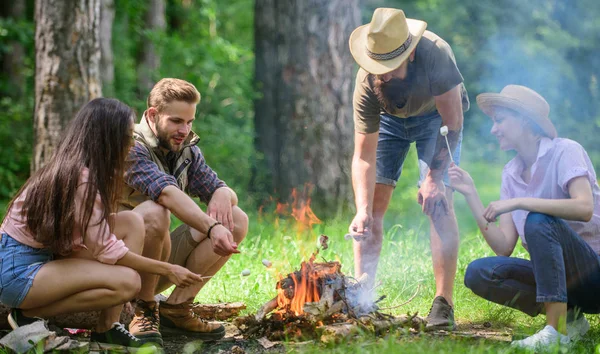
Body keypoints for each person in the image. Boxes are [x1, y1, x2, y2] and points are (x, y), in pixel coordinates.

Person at [0, 98, 202, 351]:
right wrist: (168, 269)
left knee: (131, 221)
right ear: (107, 139)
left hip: (41, 258)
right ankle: (26, 314)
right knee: (128, 282)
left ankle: (107, 328)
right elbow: (109, 253)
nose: (131, 143)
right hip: (19, 273)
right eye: (126, 136)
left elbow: (98, 239)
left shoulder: (82, 169)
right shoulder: (81, 180)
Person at [449, 85, 600, 350]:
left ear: (525, 120)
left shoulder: (565, 151)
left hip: (595, 275)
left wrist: (520, 202)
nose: (493, 129)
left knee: (538, 219)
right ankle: (571, 318)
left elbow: (584, 207)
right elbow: (504, 245)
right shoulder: (511, 174)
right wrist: (471, 194)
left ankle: (557, 331)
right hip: (562, 281)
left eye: (500, 120)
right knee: (480, 272)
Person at [348, 8, 469, 329]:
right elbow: (363, 156)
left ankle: (443, 303)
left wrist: (434, 178)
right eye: (376, 67)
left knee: (438, 203)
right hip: (389, 122)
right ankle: (364, 297)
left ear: (410, 53)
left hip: (437, 120)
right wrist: (361, 209)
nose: (381, 74)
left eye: (388, 67)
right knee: (372, 209)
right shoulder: (368, 82)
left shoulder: (436, 55)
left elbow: (453, 123)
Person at [120, 78, 248, 343]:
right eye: (177, 121)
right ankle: (144, 309)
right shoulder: (129, 144)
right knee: (156, 211)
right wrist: (211, 228)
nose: (184, 130)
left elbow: (217, 187)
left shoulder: (185, 148)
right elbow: (165, 192)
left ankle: (176, 309)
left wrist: (223, 192)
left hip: (158, 262)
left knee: (236, 219)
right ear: (153, 114)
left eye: (190, 122)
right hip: (117, 262)